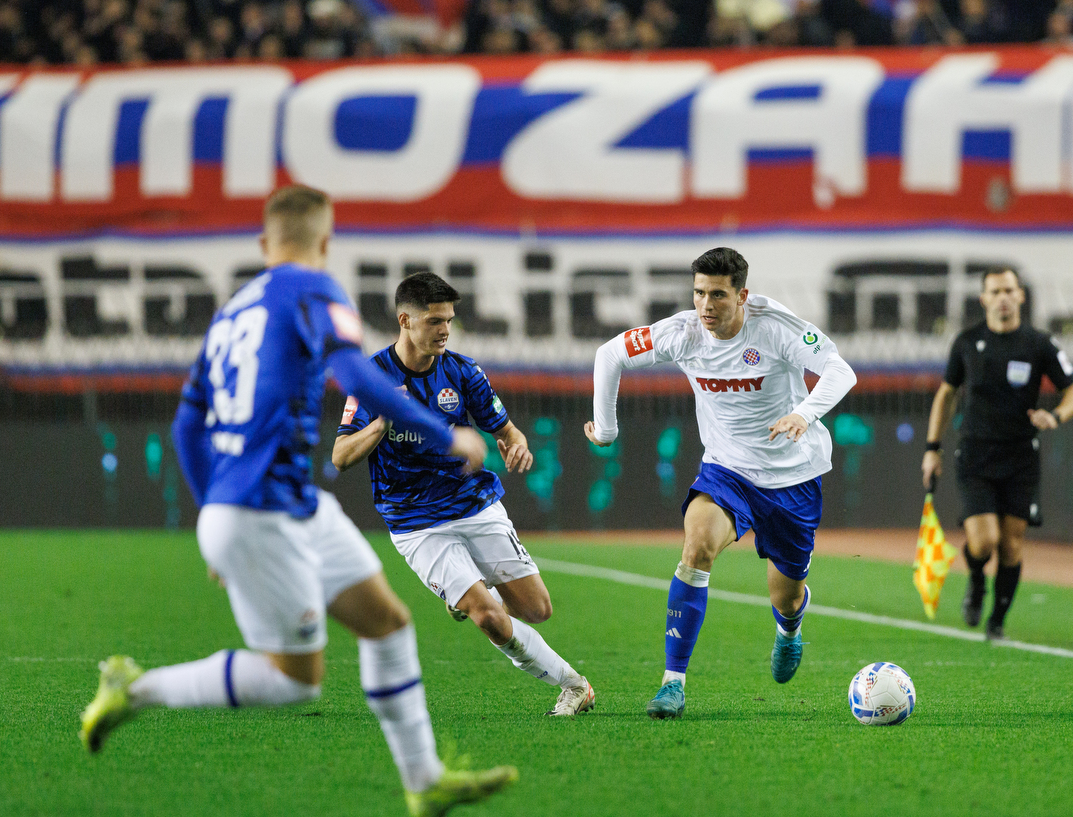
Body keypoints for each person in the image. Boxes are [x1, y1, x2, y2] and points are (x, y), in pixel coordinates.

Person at [78, 186, 516, 817]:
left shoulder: (234, 311)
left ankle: (425, 781)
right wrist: (447, 433)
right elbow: (361, 375)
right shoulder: (311, 289)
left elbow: (185, 423)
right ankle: (136, 689)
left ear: (264, 244)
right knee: (291, 681)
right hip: (260, 512)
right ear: (326, 242)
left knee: (388, 625)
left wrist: (209, 514)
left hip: (280, 505)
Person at [585, 247, 857, 719]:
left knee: (786, 595)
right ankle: (673, 684)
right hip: (726, 470)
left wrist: (802, 413)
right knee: (696, 549)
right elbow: (609, 355)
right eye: (698, 293)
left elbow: (840, 370)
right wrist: (605, 430)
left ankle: (790, 627)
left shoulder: (775, 328)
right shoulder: (683, 333)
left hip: (792, 476)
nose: (705, 305)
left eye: (716, 294)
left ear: (742, 295)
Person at [333, 271, 595, 717]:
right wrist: (383, 422)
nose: (445, 330)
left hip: (474, 504)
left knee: (536, 609)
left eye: (449, 320)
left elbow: (506, 429)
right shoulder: (373, 378)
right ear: (405, 321)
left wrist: (517, 443)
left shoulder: (463, 371)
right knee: (489, 616)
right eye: (435, 320)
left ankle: (469, 585)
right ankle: (574, 685)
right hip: (415, 522)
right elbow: (340, 456)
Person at [920, 267, 1073, 641]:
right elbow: (946, 394)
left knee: (1012, 545)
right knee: (984, 542)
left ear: (1021, 295)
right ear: (984, 299)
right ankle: (977, 581)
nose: (1003, 298)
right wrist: (932, 448)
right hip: (976, 455)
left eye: (1009, 290)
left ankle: (996, 622)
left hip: (1021, 458)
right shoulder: (967, 342)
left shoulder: (1039, 344)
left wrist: (1055, 415)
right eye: (995, 292)